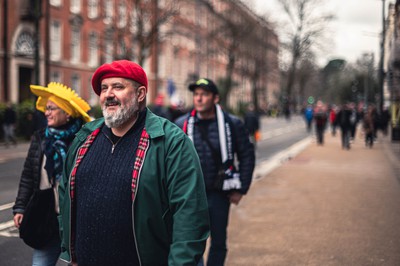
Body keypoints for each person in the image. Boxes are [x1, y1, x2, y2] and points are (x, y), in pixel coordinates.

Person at [58, 60, 210, 265]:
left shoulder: (171, 142)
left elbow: (190, 216)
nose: (108, 94)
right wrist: (70, 249)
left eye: (118, 86)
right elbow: (65, 193)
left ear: (140, 94)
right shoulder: (84, 138)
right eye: (104, 88)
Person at [175, 78, 255, 265]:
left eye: (204, 94)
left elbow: (246, 155)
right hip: (190, 195)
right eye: (196, 94)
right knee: (190, 242)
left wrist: (241, 188)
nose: (199, 99)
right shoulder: (181, 124)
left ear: (216, 98)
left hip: (219, 194)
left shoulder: (232, 123)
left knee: (218, 242)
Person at [12, 82, 91, 266]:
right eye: (46, 108)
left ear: (67, 113)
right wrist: (20, 207)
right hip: (47, 220)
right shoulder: (40, 138)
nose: (46, 112)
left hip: (76, 224)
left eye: (52, 108)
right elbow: (28, 177)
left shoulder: (84, 140)